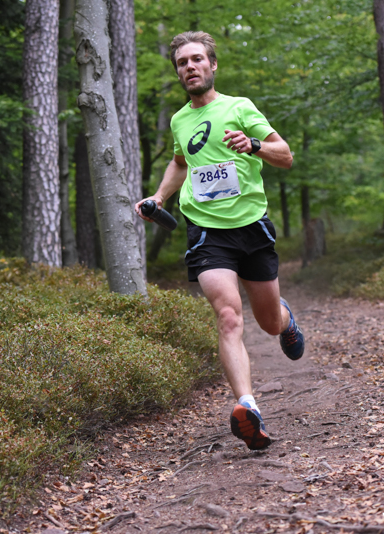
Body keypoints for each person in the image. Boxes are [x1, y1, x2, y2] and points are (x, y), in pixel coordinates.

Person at [135, 31, 304, 451]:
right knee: (228, 316)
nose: (189, 67)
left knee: (266, 322)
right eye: (181, 63)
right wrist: (159, 197)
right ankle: (248, 408)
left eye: (196, 60)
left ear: (212, 65)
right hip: (207, 232)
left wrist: (252, 145)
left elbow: (285, 154)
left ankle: (285, 320)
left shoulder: (239, 107)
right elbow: (180, 162)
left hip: (251, 226)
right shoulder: (179, 120)